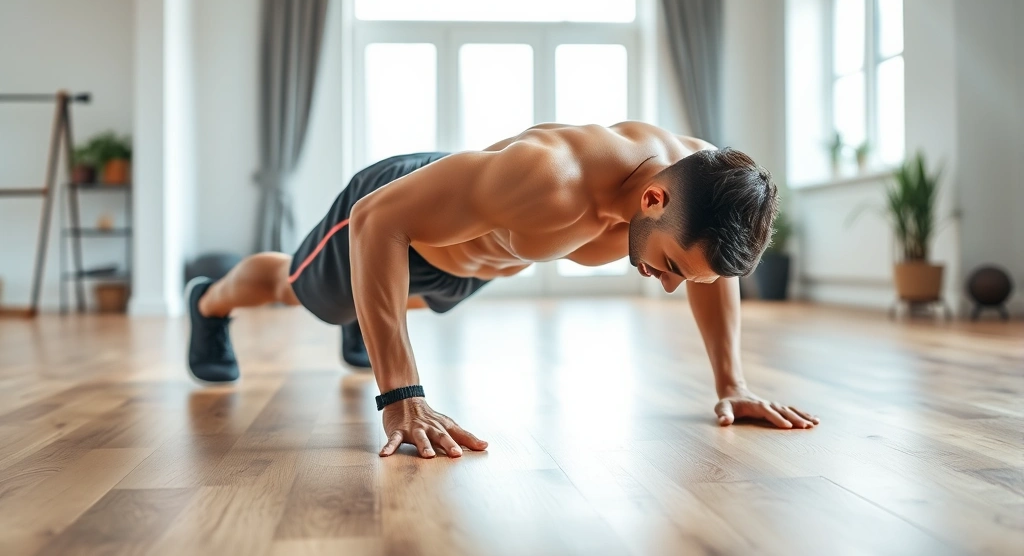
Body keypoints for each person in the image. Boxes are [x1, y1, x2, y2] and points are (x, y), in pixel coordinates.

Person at [185, 121, 819, 460]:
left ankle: (370, 311)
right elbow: (381, 221)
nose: (671, 287)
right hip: (392, 216)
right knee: (294, 290)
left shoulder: (698, 186)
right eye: (671, 266)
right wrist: (402, 396)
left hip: (470, 263)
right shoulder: (548, 176)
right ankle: (208, 301)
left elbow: (709, 273)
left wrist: (731, 383)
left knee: (393, 299)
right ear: (653, 198)